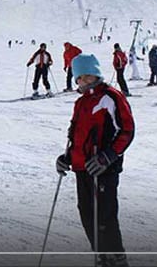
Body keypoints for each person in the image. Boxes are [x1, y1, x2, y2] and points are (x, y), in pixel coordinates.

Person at [56, 54, 134, 267]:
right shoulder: (80, 103)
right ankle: (101, 257)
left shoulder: (110, 97)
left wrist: (108, 156)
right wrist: (66, 158)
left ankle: (116, 259)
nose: (83, 81)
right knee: (87, 216)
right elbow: (77, 137)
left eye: (88, 76)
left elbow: (126, 130)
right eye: (79, 77)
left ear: (96, 75)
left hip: (103, 169)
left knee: (104, 218)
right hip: (82, 168)